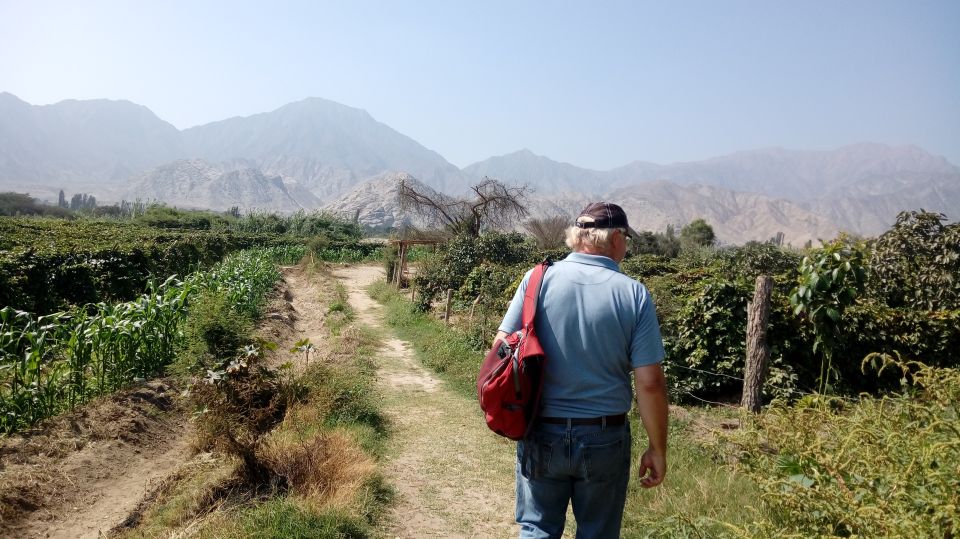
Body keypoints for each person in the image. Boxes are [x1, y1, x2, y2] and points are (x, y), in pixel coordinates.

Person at [494, 202, 669, 539]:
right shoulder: (634, 294)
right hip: (604, 437)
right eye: (626, 239)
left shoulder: (536, 280)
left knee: (538, 529)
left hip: (541, 429)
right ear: (616, 238)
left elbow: (502, 349)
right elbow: (649, 383)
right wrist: (657, 448)